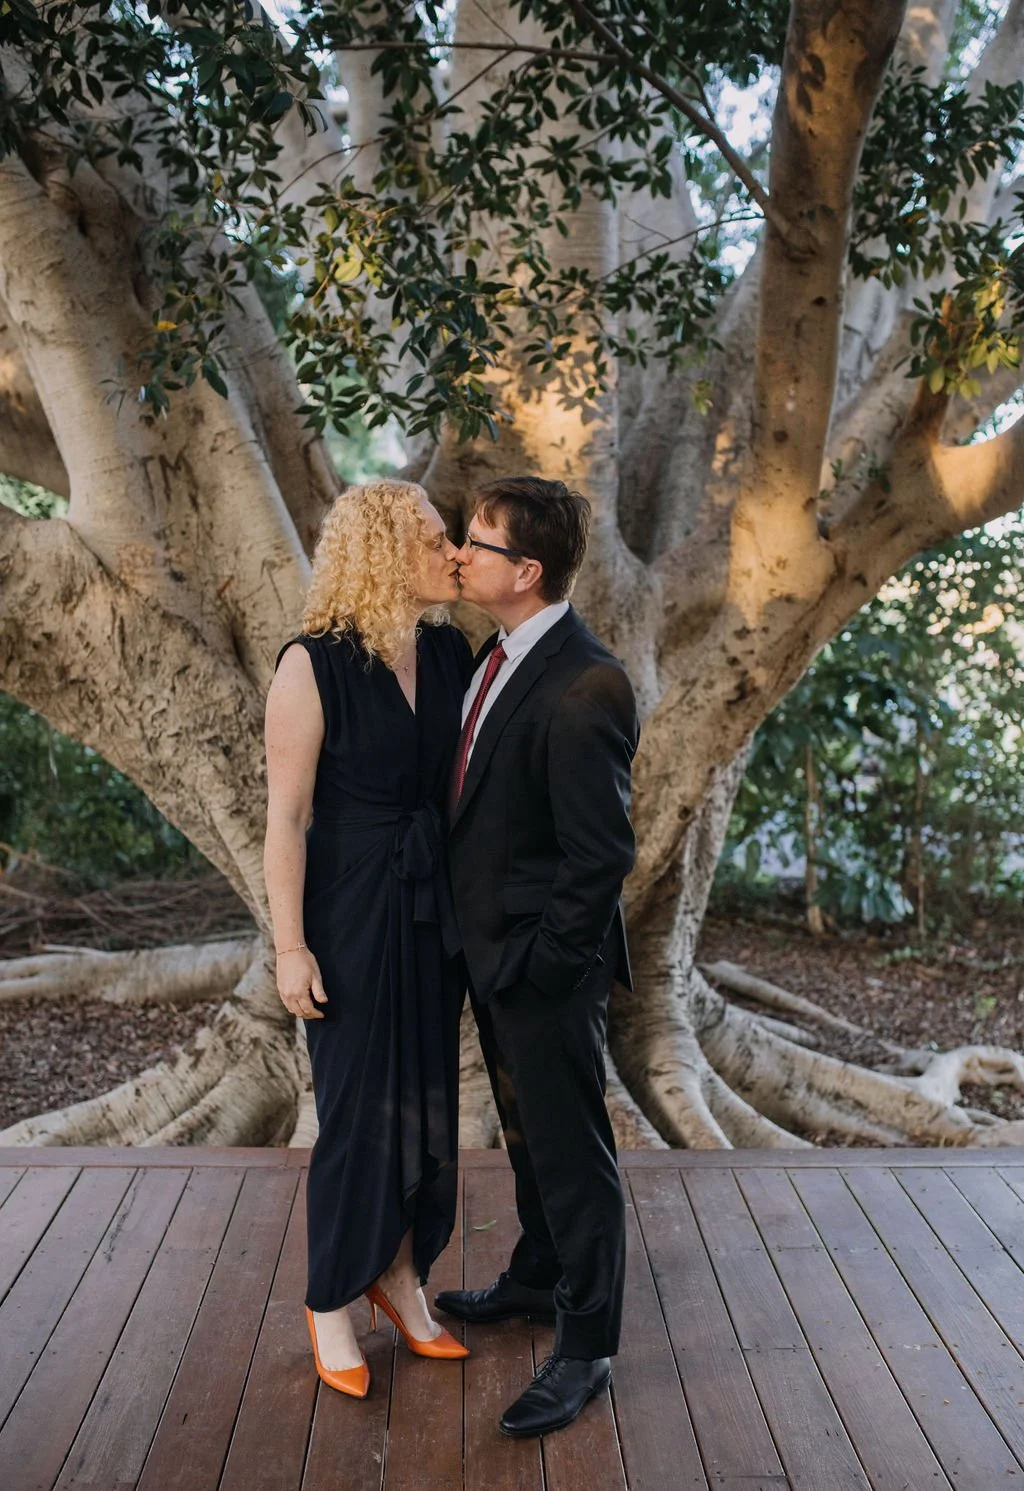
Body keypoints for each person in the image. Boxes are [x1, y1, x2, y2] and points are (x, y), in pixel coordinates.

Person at [437, 476, 639, 1438]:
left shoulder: (588, 681)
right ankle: (537, 1274)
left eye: (476, 542)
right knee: (527, 1137)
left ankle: (587, 1343)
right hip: (494, 956)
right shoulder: (495, 654)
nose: (459, 553)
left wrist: (543, 967)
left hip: (543, 968)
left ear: (526, 570)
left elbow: (600, 856)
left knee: (572, 1153)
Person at [264, 479, 473, 1401]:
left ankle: (400, 1274)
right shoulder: (311, 665)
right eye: (434, 538)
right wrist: (290, 947)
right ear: (385, 552)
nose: (454, 552)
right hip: (347, 912)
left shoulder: (451, 651)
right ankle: (330, 1299)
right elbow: (285, 818)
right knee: (355, 1112)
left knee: (427, 1102)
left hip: (433, 907)